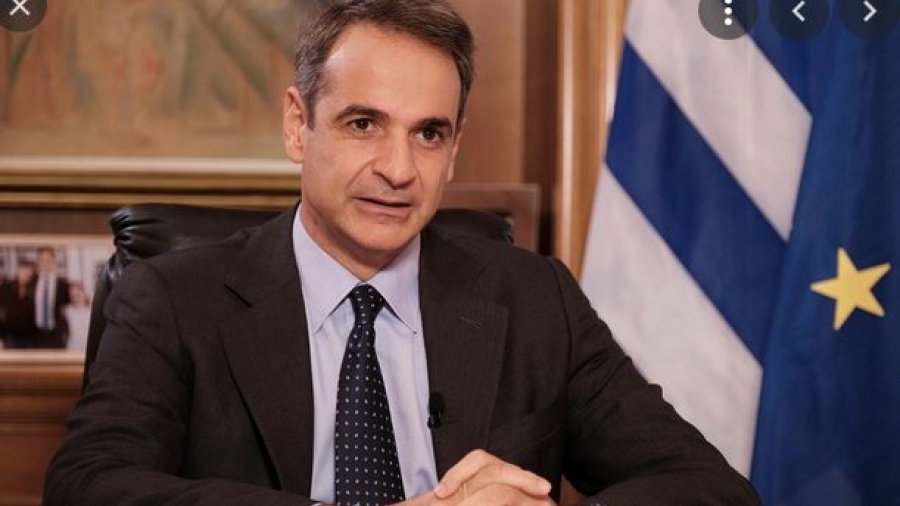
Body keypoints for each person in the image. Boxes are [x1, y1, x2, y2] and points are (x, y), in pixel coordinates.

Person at [44, 1, 760, 505]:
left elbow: (709, 488)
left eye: (428, 134)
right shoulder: (173, 298)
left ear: (455, 148)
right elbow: (87, 487)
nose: (398, 169)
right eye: (364, 124)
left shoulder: (535, 299)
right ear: (298, 125)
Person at [33, 247, 72, 348]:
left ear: (54, 261)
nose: (45, 264)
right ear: (37, 262)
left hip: (57, 333)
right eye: (41, 260)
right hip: (35, 334)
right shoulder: (31, 283)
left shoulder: (64, 285)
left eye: (48, 260)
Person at [0, 260, 38, 349]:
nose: (26, 275)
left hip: (31, 337)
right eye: (24, 271)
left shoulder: (35, 288)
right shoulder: (5, 288)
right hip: (10, 336)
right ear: (18, 271)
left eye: (29, 273)